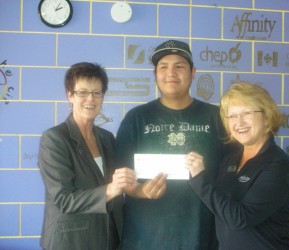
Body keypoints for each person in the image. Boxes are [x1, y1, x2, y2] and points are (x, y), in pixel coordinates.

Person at [116, 40, 226, 249]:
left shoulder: (217, 117)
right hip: (146, 237)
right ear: (155, 75)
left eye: (179, 66)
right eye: (163, 67)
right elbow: (122, 176)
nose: (171, 73)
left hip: (202, 236)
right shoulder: (136, 118)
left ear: (193, 73)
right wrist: (141, 191)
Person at [186, 82, 289, 250]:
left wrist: (200, 179)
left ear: (267, 118)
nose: (239, 122)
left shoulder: (278, 165)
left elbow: (240, 218)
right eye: (232, 116)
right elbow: (219, 206)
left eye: (246, 113)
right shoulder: (231, 158)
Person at [38, 62, 136, 250]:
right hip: (71, 241)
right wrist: (110, 189)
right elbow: (64, 200)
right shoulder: (54, 139)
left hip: (108, 239)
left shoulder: (106, 138)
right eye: (82, 92)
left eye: (96, 92)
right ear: (70, 95)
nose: (90, 99)